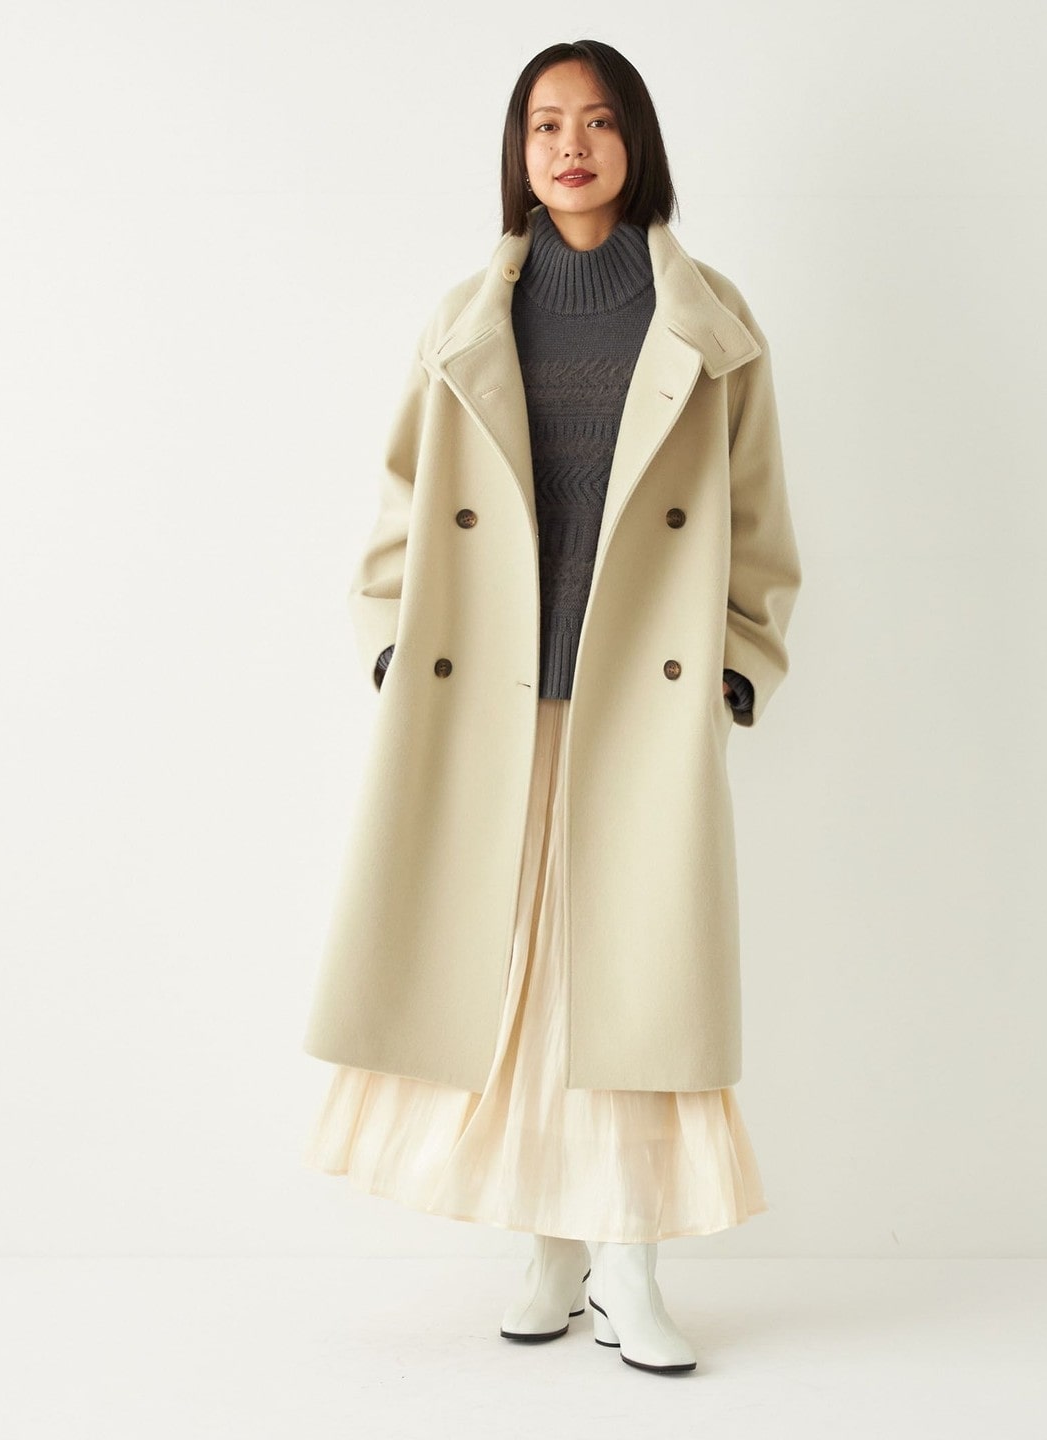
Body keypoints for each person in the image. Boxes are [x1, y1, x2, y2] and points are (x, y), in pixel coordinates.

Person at [301, 39, 803, 1376]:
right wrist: (388, 645)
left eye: (596, 120)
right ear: (519, 153)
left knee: (631, 984)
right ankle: (551, 1245)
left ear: (637, 140)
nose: (570, 145)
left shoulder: (712, 322)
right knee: (513, 972)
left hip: (642, 706)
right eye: (544, 124)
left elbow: (759, 522)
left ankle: (628, 1258)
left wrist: (738, 665)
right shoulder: (469, 315)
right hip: (488, 702)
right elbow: (404, 503)